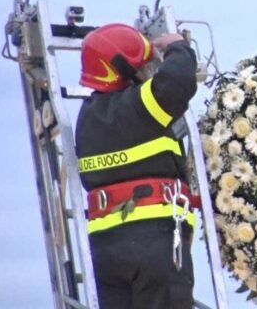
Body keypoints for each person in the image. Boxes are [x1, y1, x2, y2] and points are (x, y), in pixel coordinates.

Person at [75, 23, 199, 309]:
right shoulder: (140, 107)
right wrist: (178, 46)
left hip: (104, 251)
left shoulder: (87, 120)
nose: (148, 70)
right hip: (153, 244)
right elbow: (177, 83)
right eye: (143, 64)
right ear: (123, 69)